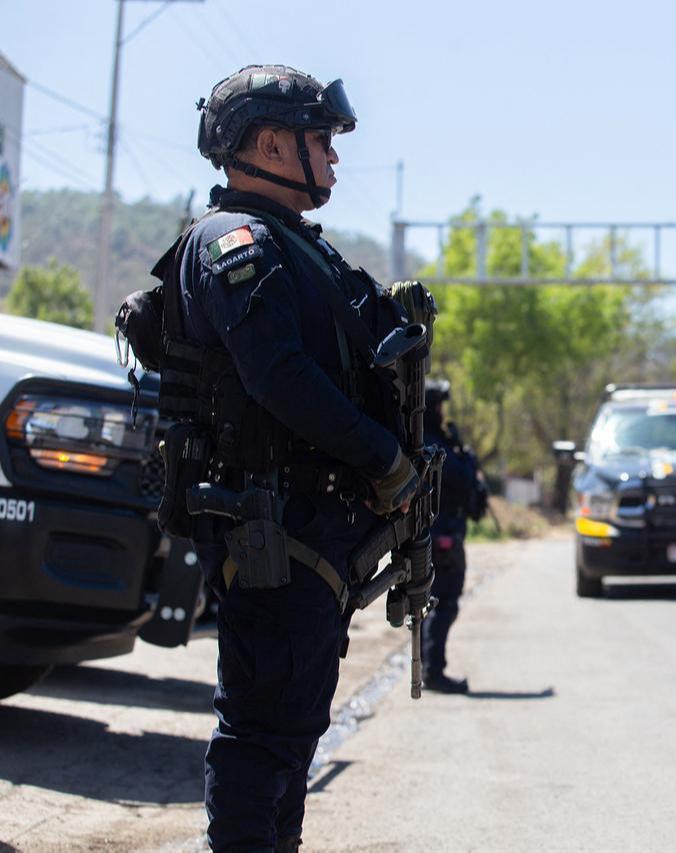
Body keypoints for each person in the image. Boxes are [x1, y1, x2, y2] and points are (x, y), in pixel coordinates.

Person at [159, 65, 427, 851]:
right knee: (262, 732)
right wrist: (385, 459)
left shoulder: (298, 249)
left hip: (309, 532)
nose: (335, 160)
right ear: (270, 142)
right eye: (321, 142)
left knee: (293, 731)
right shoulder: (233, 244)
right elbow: (278, 376)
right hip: (269, 529)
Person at [420, 380, 489, 694]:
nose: (442, 412)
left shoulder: (429, 441)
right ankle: (432, 671)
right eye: (438, 406)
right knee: (442, 603)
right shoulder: (432, 444)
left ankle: (428, 668)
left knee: (435, 602)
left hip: (438, 532)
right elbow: (461, 480)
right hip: (442, 534)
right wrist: (467, 458)